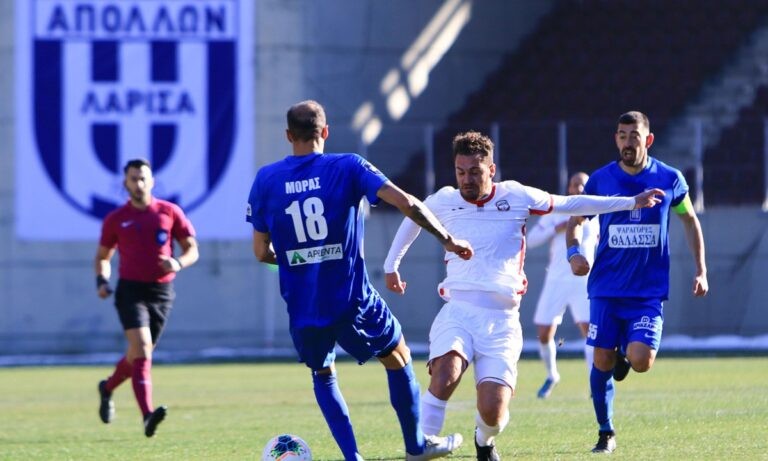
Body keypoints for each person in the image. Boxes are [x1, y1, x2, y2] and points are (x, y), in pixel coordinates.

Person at [383, 130, 664, 460]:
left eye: (474, 171)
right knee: (446, 373)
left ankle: (484, 440)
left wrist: (631, 201)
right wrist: (391, 264)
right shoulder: (444, 199)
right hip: (458, 310)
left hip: (502, 320)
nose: (466, 179)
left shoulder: (515, 195)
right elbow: (414, 214)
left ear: (491, 169)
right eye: (460, 172)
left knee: (493, 412)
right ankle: (420, 447)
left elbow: (570, 204)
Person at [246, 100, 473, 461]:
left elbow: (261, 252)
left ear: (288, 135)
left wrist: (297, 260)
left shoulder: (266, 180)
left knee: (323, 374)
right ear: (325, 131)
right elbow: (407, 203)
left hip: (302, 306)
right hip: (351, 299)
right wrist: (448, 239)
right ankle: (416, 447)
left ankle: (353, 458)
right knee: (398, 357)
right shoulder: (348, 166)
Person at [566, 111, 708, 454]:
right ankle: (606, 431)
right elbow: (576, 220)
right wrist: (573, 253)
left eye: (634, 135)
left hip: (647, 292)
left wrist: (701, 270)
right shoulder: (601, 181)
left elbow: (689, 220)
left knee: (642, 360)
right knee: (601, 361)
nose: (627, 142)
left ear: (649, 139)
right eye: (622, 135)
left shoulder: (670, 179)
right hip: (606, 288)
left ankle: (625, 355)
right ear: (615, 139)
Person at [95, 158, 199, 437]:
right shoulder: (116, 219)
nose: (139, 183)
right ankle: (147, 415)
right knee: (142, 350)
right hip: (130, 291)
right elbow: (103, 257)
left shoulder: (169, 212)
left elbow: (192, 249)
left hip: (161, 293)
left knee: (137, 355)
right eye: (134, 179)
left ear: (152, 181)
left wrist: (177, 263)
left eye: (143, 178)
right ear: (125, 183)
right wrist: (102, 281)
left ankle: (107, 387)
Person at [527, 172, 599, 399]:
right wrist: (556, 228)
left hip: (583, 281)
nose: (578, 188)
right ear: (568, 188)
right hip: (556, 280)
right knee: (544, 332)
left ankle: (595, 382)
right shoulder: (556, 210)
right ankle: (552, 375)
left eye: (582, 185)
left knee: (590, 332)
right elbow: (530, 240)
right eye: (574, 184)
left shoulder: (595, 213)